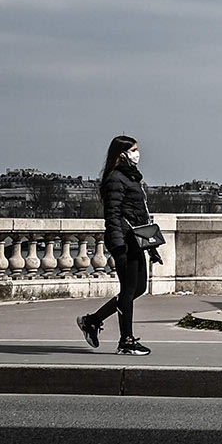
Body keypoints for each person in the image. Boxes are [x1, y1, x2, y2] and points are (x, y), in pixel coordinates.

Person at [78, 135, 158, 357]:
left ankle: (92, 321)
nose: (137, 154)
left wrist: (150, 245)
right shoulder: (116, 179)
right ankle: (126, 340)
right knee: (129, 290)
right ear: (122, 154)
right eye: (133, 150)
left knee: (138, 287)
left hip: (135, 240)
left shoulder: (130, 178)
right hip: (124, 241)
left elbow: (139, 215)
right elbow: (112, 215)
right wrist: (118, 245)